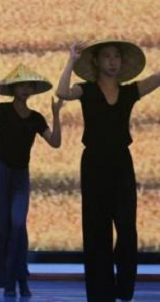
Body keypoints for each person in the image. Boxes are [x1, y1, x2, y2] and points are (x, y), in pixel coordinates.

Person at [57, 39, 160, 302]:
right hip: (93, 164)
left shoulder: (129, 92)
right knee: (96, 230)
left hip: (121, 163)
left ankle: (124, 289)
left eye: (116, 56)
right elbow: (62, 92)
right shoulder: (86, 90)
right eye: (107, 56)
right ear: (96, 61)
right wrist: (70, 60)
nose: (112, 61)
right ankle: (100, 294)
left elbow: (157, 79)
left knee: (126, 228)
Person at [0, 64, 63, 297]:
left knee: (18, 224)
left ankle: (20, 276)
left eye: (29, 85)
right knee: (2, 226)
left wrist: (56, 114)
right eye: (21, 85)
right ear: (13, 88)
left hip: (19, 175)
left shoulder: (36, 118)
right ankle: (12, 282)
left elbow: (55, 142)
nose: (25, 89)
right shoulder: (3, 109)